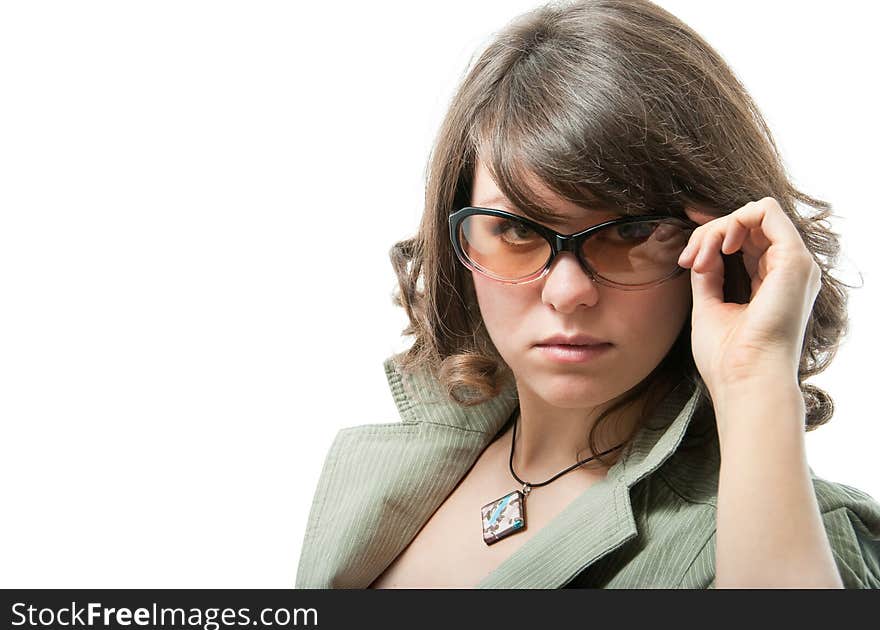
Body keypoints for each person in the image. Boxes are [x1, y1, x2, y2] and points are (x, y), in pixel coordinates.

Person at [295, 0, 880, 588]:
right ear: (459, 240)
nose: (569, 292)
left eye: (630, 231)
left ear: (721, 246)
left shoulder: (788, 538)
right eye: (518, 230)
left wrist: (754, 378)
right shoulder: (387, 471)